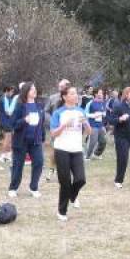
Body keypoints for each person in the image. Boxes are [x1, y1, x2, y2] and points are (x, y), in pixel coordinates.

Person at [50, 86, 91, 221]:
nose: (76, 96)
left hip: (77, 149)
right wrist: (63, 125)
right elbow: (53, 134)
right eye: (72, 93)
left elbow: (89, 132)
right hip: (62, 149)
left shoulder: (81, 111)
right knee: (65, 182)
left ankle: (72, 197)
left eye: (76, 93)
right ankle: (62, 211)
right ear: (64, 97)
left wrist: (86, 124)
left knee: (80, 179)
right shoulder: (58, 113)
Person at [8, 82, 45, 198]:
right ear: (26, 92)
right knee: (18, 165)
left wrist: (42, 136)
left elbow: (42, 123)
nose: (35, 91)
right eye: (32, 89)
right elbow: (13, 124)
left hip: (36, 141)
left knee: (39, 163)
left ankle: (33, 187)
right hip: (21, 141)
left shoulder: (39, 106)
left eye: (35, 89)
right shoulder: (20, 106)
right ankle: (13, 188)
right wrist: (24, 120)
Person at [44, 79, 71, 181]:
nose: (59, 88)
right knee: (54, 151)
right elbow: (46, 112)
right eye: (59, 86)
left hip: (69, 129)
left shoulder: (72, 98)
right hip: (56, 129)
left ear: (67, 87)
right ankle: (51, 170)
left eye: (62, 86)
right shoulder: (52, 98)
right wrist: (52, 120)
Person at [84, 88, 107, 160]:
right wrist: (93, 115)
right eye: (100, 93)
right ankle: (87, 157)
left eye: (102, 93)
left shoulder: (102, 103)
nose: (102, 94)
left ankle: (96, 154)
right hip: (92, 125)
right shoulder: (90, 103)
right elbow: (85, 114)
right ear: (96, 94)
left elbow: (104, 113)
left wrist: (103, 114)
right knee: (93, 141)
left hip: (100, 125)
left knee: (103, 141)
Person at [0, 86, 16, 163]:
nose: (12, 93)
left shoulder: (4, 99)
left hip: (4, 121)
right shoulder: (4, 99)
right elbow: (8, 112)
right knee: (7, 139)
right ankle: (3, 155)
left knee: (9, 138)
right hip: (6, 121)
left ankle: (8, 155)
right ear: (7, 91)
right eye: (11, 92)